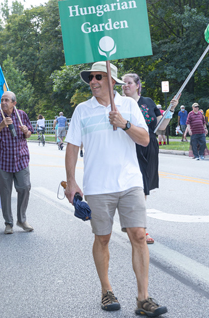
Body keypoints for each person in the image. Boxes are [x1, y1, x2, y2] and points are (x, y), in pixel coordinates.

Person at [65, 61, 167, 316]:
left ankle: (143, 299)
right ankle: (106, 290)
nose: (93, 81)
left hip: (130, 182)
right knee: (102, 238)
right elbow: (72, 146)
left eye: (98, 77)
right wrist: (72, 181)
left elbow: (145, 139)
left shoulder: (129, 105)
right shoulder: (82, 110)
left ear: (112, 81)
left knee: (139, 235)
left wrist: (124, 124)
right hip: (98, 186)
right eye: (90, 78)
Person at [122, 73, 179, 245]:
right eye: (123, 84)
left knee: (144, 188)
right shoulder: (120, 104)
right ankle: (140, 229)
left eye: (129, 83)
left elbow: (161, 126)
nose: (125, 86)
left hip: (149, 147)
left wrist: (171, 109)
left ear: (138, 85)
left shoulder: (148, 102)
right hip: (130, 147)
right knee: (138, 188)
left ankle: (134, 225)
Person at [0, 91, 34, 235]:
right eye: (2, 100)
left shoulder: (22, 115)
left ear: (14, 103)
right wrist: (1, 126)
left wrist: (26, 131)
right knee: (5, 193)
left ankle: (22, 219)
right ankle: (8, 223)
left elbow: (29, 133)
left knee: (25, 187)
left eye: (7, 100)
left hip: (21, 159)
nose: (3, 102)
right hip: (2, 160)